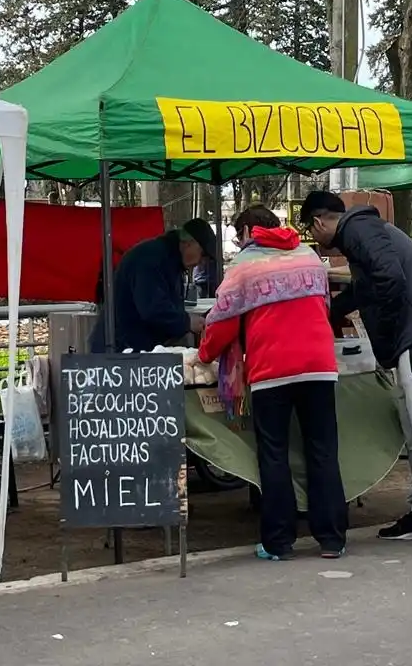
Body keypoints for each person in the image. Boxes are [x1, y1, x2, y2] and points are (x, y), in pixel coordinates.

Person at [299, 190, 412, 556]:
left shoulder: (360, 230)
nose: (316, 241)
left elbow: (390, 279)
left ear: (318, 223)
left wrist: (387, 334)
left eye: (311, 232)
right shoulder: (362, 232)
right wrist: (326, 313)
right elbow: (366, 290)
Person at [198, 205, 348, 561]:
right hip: (319, 365)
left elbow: (223, 322)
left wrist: (204, 355)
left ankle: (279, 540)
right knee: (323, 450)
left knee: (274, 454)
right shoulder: (310, 256)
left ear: (249, 230)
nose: (238, 242)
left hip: (272, 370)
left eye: (238, 235)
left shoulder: (244, 266)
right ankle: (332, 538)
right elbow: (323, 307)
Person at [88, 219, 217, 353]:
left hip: (134, 346)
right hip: (119, 349)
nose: (199, 263)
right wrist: (186, 322)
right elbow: (153, 308)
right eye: (202, 256)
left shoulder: (170, 262)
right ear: (188, 244)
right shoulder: (151, 259)